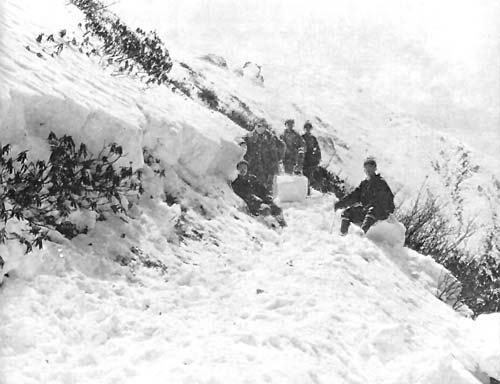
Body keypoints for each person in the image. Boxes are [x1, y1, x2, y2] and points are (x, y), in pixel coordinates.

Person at [334, 157, 395, 235]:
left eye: (370, 167)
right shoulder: (364, 184)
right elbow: (354, 196)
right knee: (347, 213)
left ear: (375, 168)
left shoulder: (381, 183)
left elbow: (388, 200)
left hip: (380, 212)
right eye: (366, 168)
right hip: (366, 211)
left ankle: (361, 236)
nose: (368, 170)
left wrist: (383, 209)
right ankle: (343, 235)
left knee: (372, 210)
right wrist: (340, 204)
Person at [231, 160, 286, 227]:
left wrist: (267, 197)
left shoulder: (252, 179)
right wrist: (258, 201)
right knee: (266, 210)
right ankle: (269, 228)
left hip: (259, 201)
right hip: (251, 204)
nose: (243, 170)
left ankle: (282, 226)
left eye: (245, 168)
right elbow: (244, 195)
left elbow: (261, 190)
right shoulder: (237, 182)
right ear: (237, 170)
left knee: (276, 208)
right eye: (241, 168)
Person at [243, 118, 284, 193]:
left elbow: (280, 148)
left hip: (266, 167)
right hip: (253, 166)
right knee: (252, 186)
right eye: (259, 126)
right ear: (255, 126)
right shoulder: (249, 136)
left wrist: (276, 162)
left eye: (263, 126)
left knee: (266, 188)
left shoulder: (270, 137)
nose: (261, 128)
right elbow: (240, 143)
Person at [301, 121, 322, 194]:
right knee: (303, 175)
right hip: (303, 158)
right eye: (306, 128)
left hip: (311, 159)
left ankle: (308, 191)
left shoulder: (313, 138)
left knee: (309, 175)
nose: (307, 129)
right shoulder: (302, 138)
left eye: (309, 128)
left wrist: (318, 158)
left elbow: (317, 149)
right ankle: (304, 191)